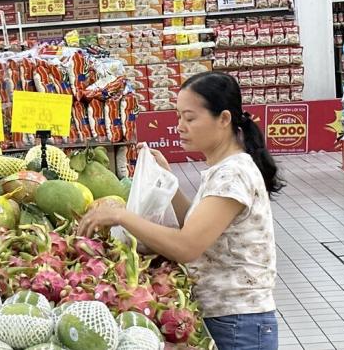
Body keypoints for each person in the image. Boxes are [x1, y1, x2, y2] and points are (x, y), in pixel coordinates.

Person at [78, 71, 282, 350]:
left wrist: (121, 216)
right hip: (227, 316)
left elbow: (187, 246)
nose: (180, 126)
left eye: (190, 118)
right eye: (178, 117)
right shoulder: (222, 169)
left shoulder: (232, 175)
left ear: (223, 119)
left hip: (238, 321)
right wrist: (168, 182)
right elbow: (197, 226)